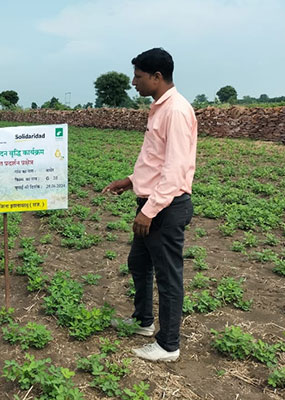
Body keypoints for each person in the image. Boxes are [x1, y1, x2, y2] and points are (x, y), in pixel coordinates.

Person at [103, 48, 197, 362]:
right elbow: (154, 161)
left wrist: (149, 210)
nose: (134, 82)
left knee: (168, 277)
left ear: (157, 77)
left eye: (139, 77)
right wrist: (130, 181)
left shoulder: (176, 111)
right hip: (153, 203)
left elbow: (174, 170)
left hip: (165, 208)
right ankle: (143, 321)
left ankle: (168, 345)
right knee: (139, 264)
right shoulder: (159, 108)